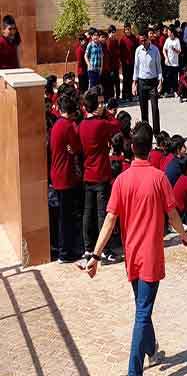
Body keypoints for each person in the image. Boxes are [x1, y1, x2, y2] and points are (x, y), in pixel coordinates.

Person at [81, 121, 187, 376]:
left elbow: (109, 220)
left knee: (142, 307)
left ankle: (151, 348)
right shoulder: (159, 178)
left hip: (132, 257)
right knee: (142, 312)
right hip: (151, 257)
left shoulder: (121, 180)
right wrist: (184, 236)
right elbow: (173, 215)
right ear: (149, 148)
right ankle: (134, 371)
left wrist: (95, 255)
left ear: (132, 147)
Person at [79, 87, 124, 263]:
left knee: (88, 213)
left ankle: (88, 248)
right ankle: (104, 249)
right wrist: (106, 113)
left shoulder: (82, 125)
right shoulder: (100, 124)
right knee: (102, 215)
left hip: (88, 174)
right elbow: (116, 124)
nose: (102, 105)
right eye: (99, 103)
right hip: (101, 174)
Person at [49, 93, 82, 263]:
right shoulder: (69, 126)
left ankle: (64, 250)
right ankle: (65, 252)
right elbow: (76, 147)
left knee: (63, 217)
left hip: (57, 175)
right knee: (66, 218)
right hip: (65, 177)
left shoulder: (57, 125)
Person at [133, 32, 163, 134]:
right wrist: (134, 83)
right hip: (142, 82)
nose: (143, 43)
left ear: (148, 39)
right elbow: (136, 67)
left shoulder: (155, 50)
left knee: (155, 108)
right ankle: (146, 133)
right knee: (143, 109)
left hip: (153, 82)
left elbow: (159, 67)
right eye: (141, 41)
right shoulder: (138, 50)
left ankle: (156, 133)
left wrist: (160, 82)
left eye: (144, 40)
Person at [120, 24, 138, 101]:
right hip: (125, 62)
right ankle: (124, 96)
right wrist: (121, 62)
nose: (127, 31)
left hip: (133, 62)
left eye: (128, 29)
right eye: (126, 29)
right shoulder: (122, 39)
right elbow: (120, 52)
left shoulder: (134, 38)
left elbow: (137, 49)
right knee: (125, 79)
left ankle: (131, 95)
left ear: (130, 29)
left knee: (132, 78)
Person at [162, 28, 181, 97]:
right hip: (168, 63)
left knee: (175, 78)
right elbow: (164, 49)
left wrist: (174, 49)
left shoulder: (177, 40)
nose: (168, 33)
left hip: (175, 63)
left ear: (172, 33)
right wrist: (166, 58)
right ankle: (167, 91)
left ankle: (175, 91)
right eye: (167, 32)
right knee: (167, 77)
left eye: (169, 32)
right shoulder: (167, 40)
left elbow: (179, 51)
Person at [106, 26, 122, 100]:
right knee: (111, 82)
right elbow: (108, 55)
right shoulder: (108, 41)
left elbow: (118, 52)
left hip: (116, 64)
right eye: (112, 32)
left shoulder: (115, 41)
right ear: (109, 33)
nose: (114, 34)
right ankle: (112, 97)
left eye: (114, 32)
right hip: (110, 66)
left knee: (117, 81)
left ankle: (118, 96)